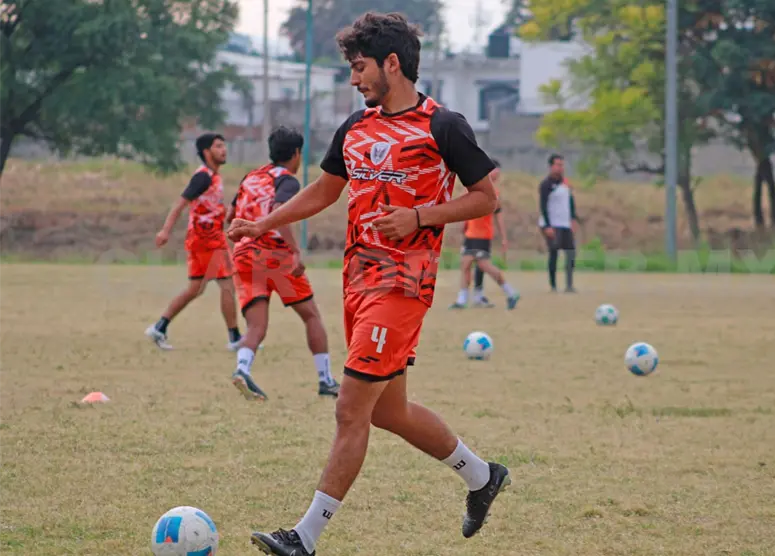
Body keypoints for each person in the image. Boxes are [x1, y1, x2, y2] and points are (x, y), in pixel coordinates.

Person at [228, 12, 511, 556]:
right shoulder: (356, 127)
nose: (354, 79)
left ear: (392, 63)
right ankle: (482, 477)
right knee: (388, 412)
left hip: (403, 285)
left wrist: (420, 216)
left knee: (350, 408)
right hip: (357, 283)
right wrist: (264, 223)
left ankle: (303, 538)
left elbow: (485, 198)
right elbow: (324, 190)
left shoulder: (443, 126)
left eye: (360, 68)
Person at [228, 127, 340, 400]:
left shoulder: (250, 177)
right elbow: (279, 213)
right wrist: (295, 251)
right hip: (275, 256)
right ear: (297, 153)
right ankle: (325, 380)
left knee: (256, 326)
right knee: (310, 315)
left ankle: (242, 369)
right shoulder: (287, 180)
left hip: (245, 254)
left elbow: (232, 214)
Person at [145, 133, 241, 351]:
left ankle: (159, 327)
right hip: (207, 240)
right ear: (207, 152)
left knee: (195, 289)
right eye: (218, 146)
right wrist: (165, 231)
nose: (224, 150)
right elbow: (180, 203)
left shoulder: (214, 177)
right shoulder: (203, 177)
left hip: (202, 239)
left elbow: (210, 207)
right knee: (227, 285)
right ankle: (235, 338)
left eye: (224, 146)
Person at [449, 160, 519, 310]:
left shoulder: (493, 193)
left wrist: (504, 238)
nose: (496, 175)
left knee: (482, 265)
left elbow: (498, 216)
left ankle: (510, 292)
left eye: (497, 173)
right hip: (471, 234)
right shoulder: (474, 187)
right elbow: (465, 205)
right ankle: (464, 299)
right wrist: (464, 225)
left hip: (482, 235)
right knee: (466, 265)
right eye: (494, 172)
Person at [538, 154, 579, 293]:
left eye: (562, 165)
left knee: (571, 253)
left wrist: (573, 219)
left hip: (565, 223)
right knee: (554, 253)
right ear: (551, 166)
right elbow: (543, 206)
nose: (561, 168)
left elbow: (570, 201)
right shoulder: (546, 185)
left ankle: (569, 285)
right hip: (553, 224)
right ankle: (553, 285)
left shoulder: (565, 183)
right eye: (558, 165)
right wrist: (547, 225)